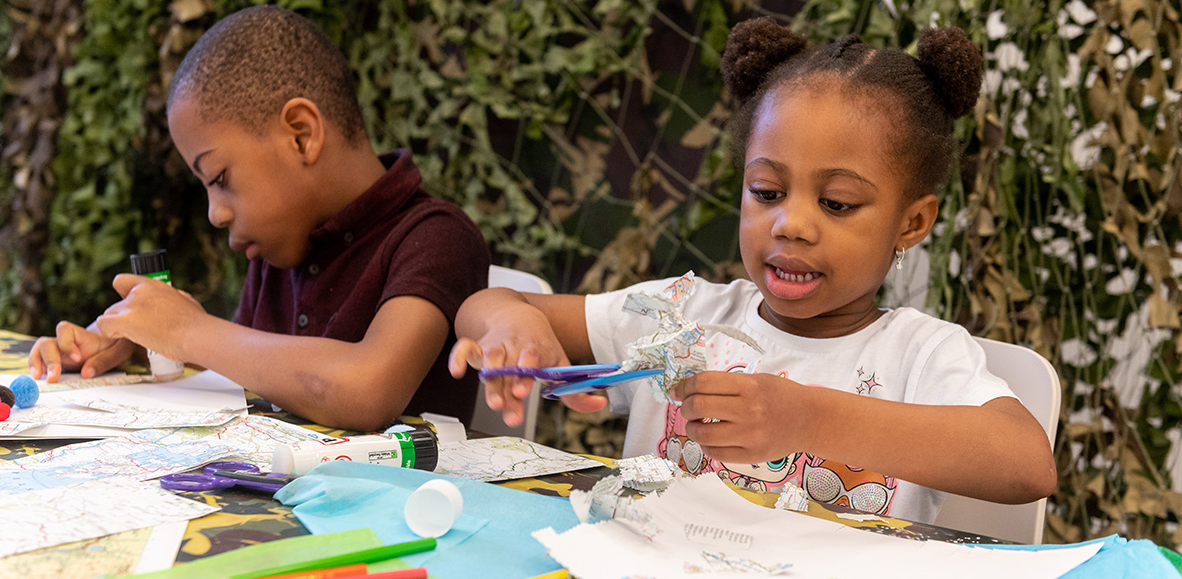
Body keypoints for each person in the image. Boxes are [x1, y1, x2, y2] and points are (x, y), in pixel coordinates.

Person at [449, 18, 1056, 522]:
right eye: (767, 191)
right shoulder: (681, 316)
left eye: (837, 203)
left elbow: (1026, 465)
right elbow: (494, 302)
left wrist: (809, 418)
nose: (790, 224)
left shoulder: (920, 354)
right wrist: (508, 323)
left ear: (912, 223)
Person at [28, 5, 489, 431]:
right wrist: (147, 343)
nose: (215, 213)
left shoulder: (435, 239)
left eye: (220, 177)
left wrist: (189, 331)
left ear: (301, 135)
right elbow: (248, 376)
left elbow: (366, 391)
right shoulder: (284, 244)